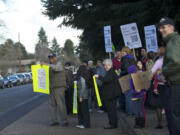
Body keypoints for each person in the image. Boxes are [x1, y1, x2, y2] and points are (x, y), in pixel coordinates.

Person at [158, 17, 180, 135]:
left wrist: (164, 73)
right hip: (175, 85)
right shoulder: (173, 40)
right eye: (159, 28)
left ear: (171, 27)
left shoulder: (174, 40)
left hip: (175, 86)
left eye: (163, 27)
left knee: (173, 118)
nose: (161, 30)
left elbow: (176, 62)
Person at [41, 54, 68, 126]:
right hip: (52, 88)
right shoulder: (50, 66)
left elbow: (57, 68)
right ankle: (54, 120)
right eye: (49, 58)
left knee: (61, 104)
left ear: (55, 58)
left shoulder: (59, 63)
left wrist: (47, 65)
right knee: (52, 105)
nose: (51, 59)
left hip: (59, 87)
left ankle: (64, 120)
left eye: (52, 58)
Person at [94, 59, 121, 129]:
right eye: (105, 65)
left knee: (111, 110)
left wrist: (99, 77)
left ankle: (112, 124)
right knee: (112, 110)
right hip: (111, 94)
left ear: (110, 65)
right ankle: (113, 123)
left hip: (111, 95)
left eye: (106, 65)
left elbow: (106, 80)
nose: (105, 67)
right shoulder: (111, 72)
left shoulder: (111, 72)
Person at [150, 46, 166, 129]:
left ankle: (159, 123)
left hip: (159, 85)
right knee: (168, 104)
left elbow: (152, 72)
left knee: (158, 106)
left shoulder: (159, 61)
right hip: (169, 85)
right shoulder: (172, 60)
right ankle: (170, 122)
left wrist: (158, 71)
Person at [128, 62, 146, 129]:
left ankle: (140, 124)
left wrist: (141, 90)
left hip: (140, 96)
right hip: (136, 96)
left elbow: (144, 87)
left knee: (139, 111)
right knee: (137, 111)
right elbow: (132, 89)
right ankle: (138, 123)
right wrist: (136, 91)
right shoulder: (132, 79)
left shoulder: (137, 77)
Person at [120, 47, 136, 116]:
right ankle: (133, 111)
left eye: (123, 51)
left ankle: (129, 112)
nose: (121, 53)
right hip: (132, 77)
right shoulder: (132, 58)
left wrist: (120, 72)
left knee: (128, 96)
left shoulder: (125, 59)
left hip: (126, 78)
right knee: (131, 95)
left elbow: (127, 69)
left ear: (126, 52)